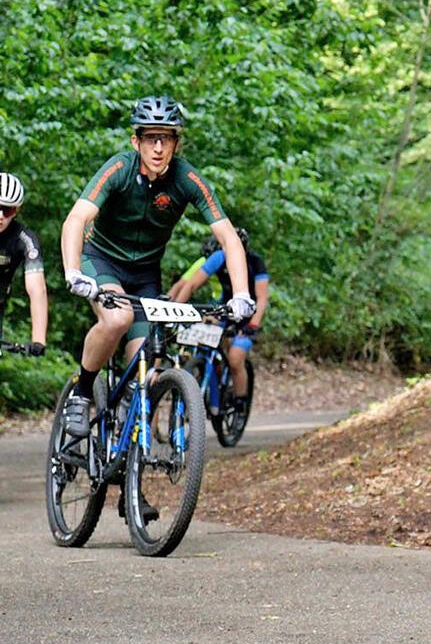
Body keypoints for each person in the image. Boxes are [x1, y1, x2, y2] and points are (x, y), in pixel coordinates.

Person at [59, 96, 255, 520]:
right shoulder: (118, 169)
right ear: (136, 141)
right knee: (118, 318)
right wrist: (75, 271)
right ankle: (80, 394)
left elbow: (228, 238)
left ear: (176, 143)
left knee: (145, 367)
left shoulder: (187, 179)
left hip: (145, 274)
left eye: (166, 139)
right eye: (150, 139)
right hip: (102, 262)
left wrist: (241, 295)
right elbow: (76, 220)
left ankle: (130, 486)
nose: (158, 148)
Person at [169, 227, 270, 411]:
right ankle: (211, 373)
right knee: (204, 332)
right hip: (226, 308)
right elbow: (191, 284)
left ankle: (239, 401)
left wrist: (254, 324)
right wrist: (177, 311)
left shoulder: (256, 262)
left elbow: (262, 298)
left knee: (235, 358)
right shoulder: (219, 256)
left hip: (248, 315)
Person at [0, 173, 48, 355]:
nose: (0, 216)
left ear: (16, 211)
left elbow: (37, 289)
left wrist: (38, 339)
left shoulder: (24, 239)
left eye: (7, 210)